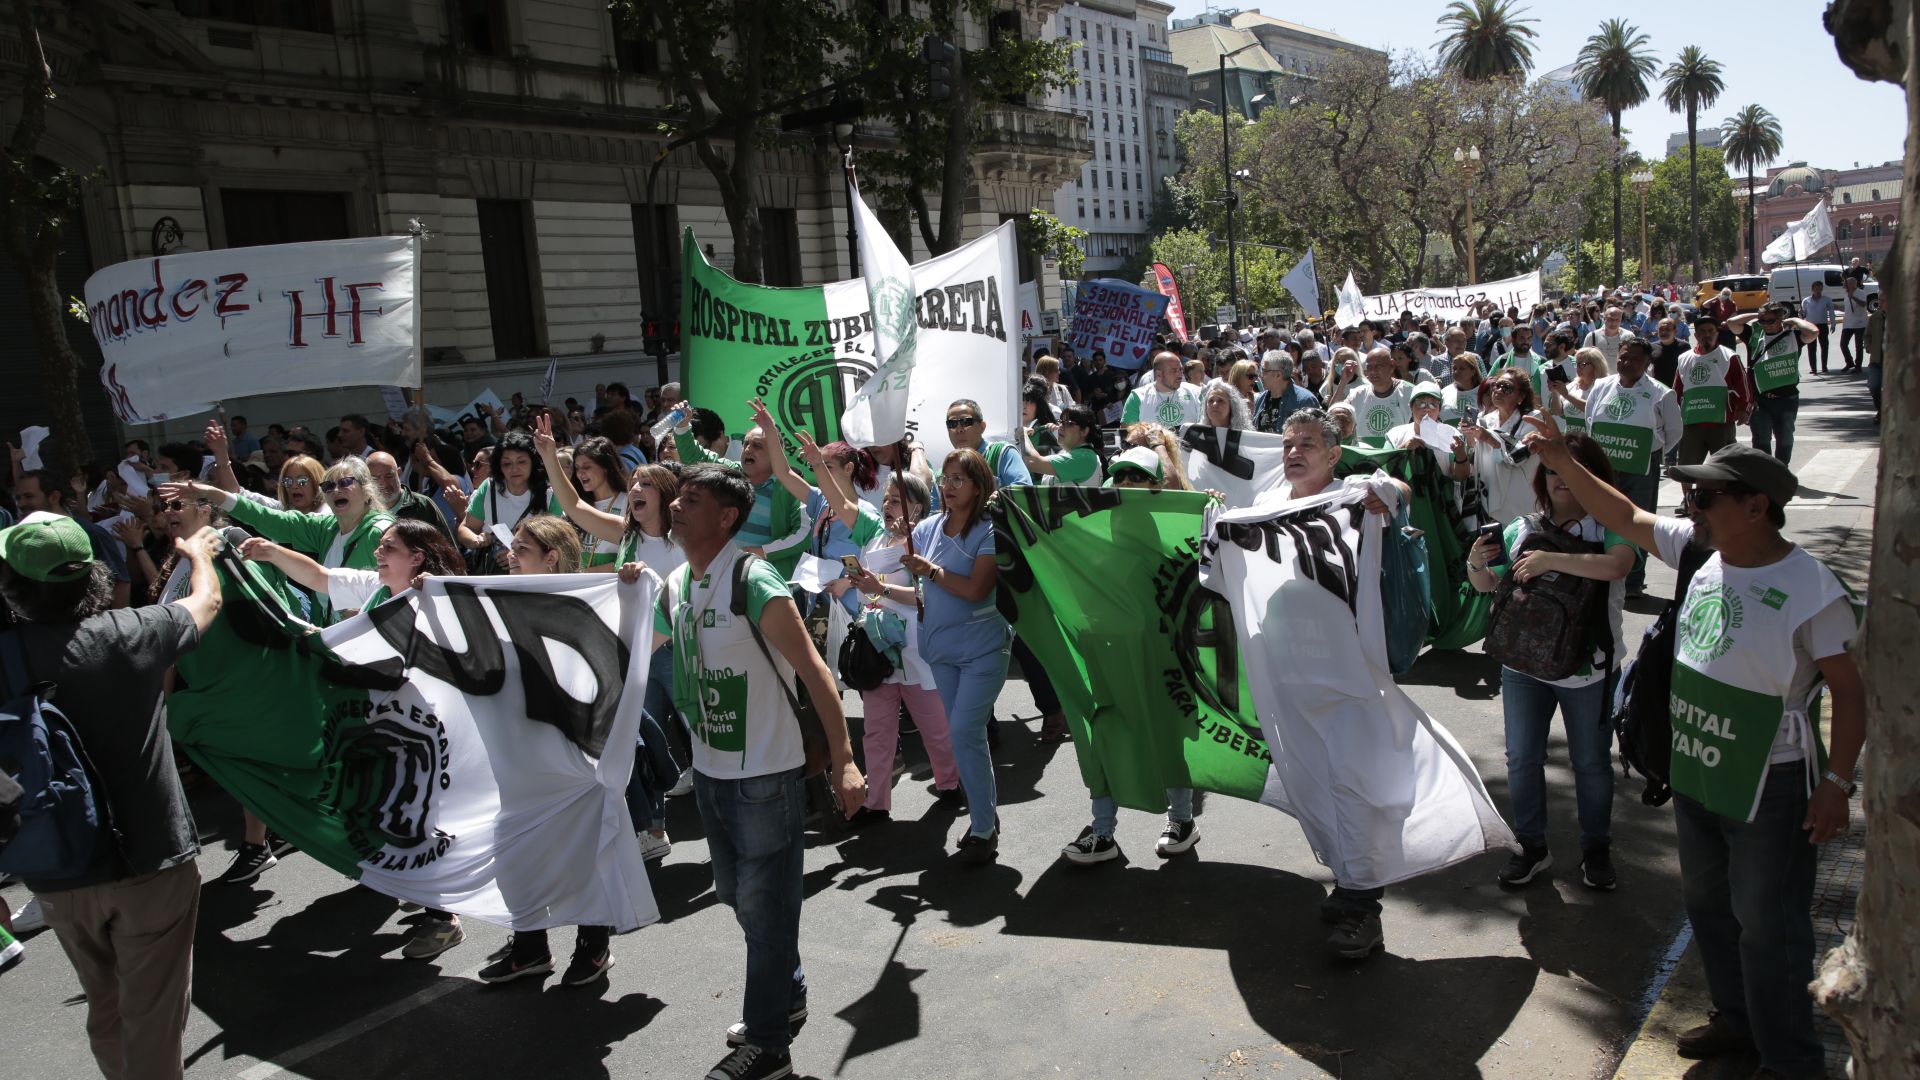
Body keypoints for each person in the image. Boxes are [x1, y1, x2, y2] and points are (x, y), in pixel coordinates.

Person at [1522, 420, 1863, 1080]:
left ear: (1756, 507)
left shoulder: (1812, 588)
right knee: (1711, 907)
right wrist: (1562, 456)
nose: (1690, 509)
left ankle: (1792, 1061)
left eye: (1705, 498)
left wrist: (1837, 784)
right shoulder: (1700, 550)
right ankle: (1738, 1022)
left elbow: (1851, 693)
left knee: (1771, 927)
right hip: (1700, 772)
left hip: (1770, 785)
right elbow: (1622, 512)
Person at [652, 464, 865, 1080]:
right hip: (712, 774)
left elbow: (816, 673)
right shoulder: (677, 584)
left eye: (692, 500)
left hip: (767, 777)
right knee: (738, 898)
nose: (677, 507)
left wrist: (845, 759)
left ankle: (769, 1046)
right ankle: (787, 988)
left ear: (726, 518)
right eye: (678, 498)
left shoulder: (754, 579)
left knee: (768, 910)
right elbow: (641, 643)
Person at [0, 511, 221, 1080]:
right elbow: (206, 604)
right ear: (92, 576)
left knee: (107, 1004)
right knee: (151, 1014)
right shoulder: (132, 632)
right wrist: (199, 553)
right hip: (152, 861)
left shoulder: (8, 655)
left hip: (56, 866)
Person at [1266, 410, 1412, 958]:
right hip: (1292, 678)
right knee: (1316, 785)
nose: (1294, 452)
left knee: (1354, 785)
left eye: (1307, 443)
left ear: (1333, 453)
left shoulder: (1355, 496)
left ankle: (1362, 908)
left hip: (1349, 675)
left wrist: (1386, 489)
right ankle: (1349, 881)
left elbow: (1400, 488)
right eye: (1287, 444)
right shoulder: (1268, 506)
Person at [1468, 432, 1637, 889]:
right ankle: (1531, 847)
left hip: (1591, 669)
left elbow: (1617, 566)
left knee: (1592, 764)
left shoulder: (1613, 523)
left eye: (1574, 469)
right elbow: (1489, 588)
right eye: (1555, 470)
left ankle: (1595, 850)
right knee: (1522, 759)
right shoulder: (1520, 528)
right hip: (1523, 666)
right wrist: (1475, 564)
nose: (1563, 479)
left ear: (1594, 478)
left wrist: (1550, 560)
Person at [1057, 445, 1200, 864]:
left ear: (1157, 487)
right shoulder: (1090, 536)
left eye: (1138, 477)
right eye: (1120, 476)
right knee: (1104, 737)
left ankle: (1182, 820)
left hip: (1163, 661)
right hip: (1107, 659)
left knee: (1168, 738)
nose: (1127, 484)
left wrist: (1210, 514)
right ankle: (1102, 832)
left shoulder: (1176, 537)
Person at [836, 471, 964, 823]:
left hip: (915, 650)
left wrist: (880, 588)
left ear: (917, 508)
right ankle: (876, 803)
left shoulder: (923, 543)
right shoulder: (874, 542)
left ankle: (950, 784)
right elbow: (867, 595)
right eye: (887, 499)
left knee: (935, 728)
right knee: (877, 733)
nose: (888, 506)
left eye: (896, 500)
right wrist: (861, 585)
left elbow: (924, 597)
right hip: (877, 652)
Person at [902, 449, 1009, 861]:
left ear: (979, 487)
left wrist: (928, 570)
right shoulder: (927, 527)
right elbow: (917, 593)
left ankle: (982, 826)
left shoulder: (988, 531)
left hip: (983, 649)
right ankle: (985, 816)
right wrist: (874, 582)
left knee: (965, 732)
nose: (947, 486)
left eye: (958, 479)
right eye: (944, 479)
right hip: (939, 650)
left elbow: (976, 590)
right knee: (964, 736)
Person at [162, 457, 394, 624]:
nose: (335, 490)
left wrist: (368, 612)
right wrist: (213, 494)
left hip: (370, 638)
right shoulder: (325, 528)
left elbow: (405, 584)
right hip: (330, 635)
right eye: (328, 486)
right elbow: (266, 517)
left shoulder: (383, 532)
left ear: (367, 491)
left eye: (345, 483)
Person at [1579, 338, 1683, 596]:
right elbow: (1590, 420)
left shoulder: (1661, 393)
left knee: (1637, 522)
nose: (1626, 362)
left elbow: (1674, 432)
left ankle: (1634, 581)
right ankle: (1596, 573)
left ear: (1648, 363)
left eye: (1635, 358)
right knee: (1597, 517)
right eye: (1623, 356)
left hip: (1641, 470)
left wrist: (1649, 452)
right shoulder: (1601, 387)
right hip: (1604, 468)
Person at [672, 408, 811, 579]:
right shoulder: (729, 473)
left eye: (757, 446)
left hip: (769, 579)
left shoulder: (791, 486)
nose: (748, 450)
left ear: (776, 453)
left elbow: (804, 533)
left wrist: (762, 552)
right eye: (746, 444)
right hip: (723, 576)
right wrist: (682, 427)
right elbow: (693, 458)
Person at [9, 470, 131, 610]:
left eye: (28, 496)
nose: (21, 503)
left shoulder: (91, 533)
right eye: (18, 498)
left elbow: (120, 583)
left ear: (54, 497)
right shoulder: (24, 538)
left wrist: (115, 627)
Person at [455, 431, 564, 572]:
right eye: (507, 463)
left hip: (533, 577)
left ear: (533, 462)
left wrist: (517, 555)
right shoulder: (488, 487)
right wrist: (477, 540)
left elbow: (558, 542)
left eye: (521, 461)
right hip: (492, 573)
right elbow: (465, 529)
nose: (514, 469)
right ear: (498, 466)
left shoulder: (550, 493)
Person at [1726, 305, 1820, 465]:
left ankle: (1781, 470)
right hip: (1760, 399)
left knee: (1784, 438)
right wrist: (1756, 315)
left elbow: (1813, 332)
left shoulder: (1793, 337)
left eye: (1770, 321)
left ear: (1780, 320)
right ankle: (1766, 473)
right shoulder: (1754, 336)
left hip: (1787, 399)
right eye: (1762, 321)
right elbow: (1731, 323)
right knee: (1761, 440)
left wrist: (1795, 320)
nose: (1766, 324)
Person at [1467, 368, 1543, 529]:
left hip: (1521, 499)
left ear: (1521, 397)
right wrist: (1469, 437)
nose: (1499, 390)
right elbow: (1477, 459)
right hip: (1489, 498)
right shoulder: (1485, 420)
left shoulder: (1533, 418)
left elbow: (1518, 456)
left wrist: (1489, 438)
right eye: (1497, 386)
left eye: (1506, 388)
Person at [1672, 319, 1750, 468]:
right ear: (1695, 335)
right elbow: (1677, 390)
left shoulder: (1729, 356)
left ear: (1717, 334)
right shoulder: (1684, 359)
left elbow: (1743, 385)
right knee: (1687, 468)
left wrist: (1744, 408)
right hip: (1691, 422)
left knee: (1725, 467)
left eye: (1710, 331)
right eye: (1702, 331)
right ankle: (1688, 492)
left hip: (1721, 423)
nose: (1706, 335)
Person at [1332, 347, 1415, 447]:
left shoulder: (1410, 392)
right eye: (1369, 367)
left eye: (1378, 366)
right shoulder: (1358, 394)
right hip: (1364, 456)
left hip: (1396, 456)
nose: (1372, 372)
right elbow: (1332, 415)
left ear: (1392, 366)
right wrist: (1343, 381)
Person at [1015, 404, 1104, 488]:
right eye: (1061, 421)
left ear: (1084, 431)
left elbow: (1033, 462)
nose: (1061, 426)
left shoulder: (1084, 457)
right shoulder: (1073, 453)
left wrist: (1023, 435)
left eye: (1068, 423)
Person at [1121, 350, 1205, 428]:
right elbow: (1127, 433)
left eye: (1180, 370)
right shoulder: (1138, 397)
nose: (1180, 375)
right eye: (1174, 371)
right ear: (1158, 374)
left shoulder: (1196, 393)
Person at [1252, 351, 1319, 434]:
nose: (1261, 376)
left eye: (1264, 371)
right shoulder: (1260, 399)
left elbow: (1313, 435)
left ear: (1278, 375)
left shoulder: (1305, 400)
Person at [1799, 281, 1833, 374]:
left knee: (1824, 346)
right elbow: (1803, 315)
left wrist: (1833, 324)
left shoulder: (1827, 300)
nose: (1818, 291)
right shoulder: (1806, 301)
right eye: (1816, 289)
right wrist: (1801, 313)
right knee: (1811, 348)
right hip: (1811, 326)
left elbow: (1831, 312)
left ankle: (1824, 367)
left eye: (1820, 289)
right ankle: (1813, 368)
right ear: (1812, 290)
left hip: (1822, 325)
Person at [1441, 352, 1484, 426]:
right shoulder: (1444, 392)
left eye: (1462, 369)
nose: (1456, 371)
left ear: (1473, 371)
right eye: (1454, 368)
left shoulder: (1484, 392)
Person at [1839, 274, 1871, 371]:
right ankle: (1849, 362)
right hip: (1848, 323)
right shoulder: (1846, 294)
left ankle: (1858, 366)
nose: (1846, 285)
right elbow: (1847, 308)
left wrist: (1853, 297)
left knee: (1858, 346)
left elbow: (1863, 304)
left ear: (1853, 284)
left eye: (1848, 284)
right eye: (1845, 284)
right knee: (1843, 344)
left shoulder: (1861, 292)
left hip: (1860, 323)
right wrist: (1836, 307)